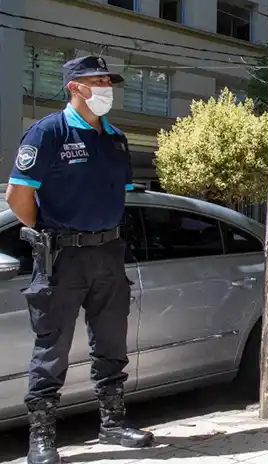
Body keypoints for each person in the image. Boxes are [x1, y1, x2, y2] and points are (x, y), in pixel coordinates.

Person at [5, 56, 155, 464]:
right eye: (98, 80)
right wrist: (54, 229)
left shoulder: (115, 138)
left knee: (111, 342)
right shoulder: (48, 131)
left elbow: (118, 195)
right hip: (62, 256)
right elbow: (17, 197)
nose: (106, 87)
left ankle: (112, 423)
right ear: (75, 87)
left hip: (109, 253)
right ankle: (42, 438)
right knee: (51, 348)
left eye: (109, 80)